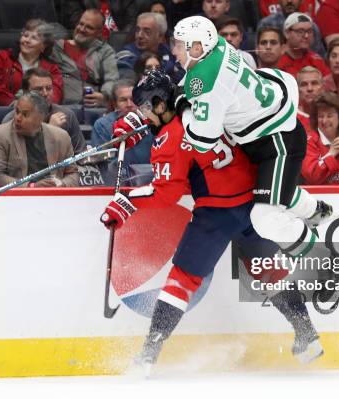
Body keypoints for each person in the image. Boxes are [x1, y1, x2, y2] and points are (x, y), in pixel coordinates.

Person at [100, 69, 323, 372]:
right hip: (254, 201)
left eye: (146, 108)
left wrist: (126, 202)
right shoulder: (206, 106)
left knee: (181, 280)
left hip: (218, 212)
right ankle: (308, 336)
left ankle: (148, 356)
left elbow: (168, 191)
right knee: (269, 270)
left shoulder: (170, 137)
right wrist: (145, 126)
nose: (144, 114)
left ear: (161, 104)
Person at [172, 16, 334, 257]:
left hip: (278, 142)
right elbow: (196, 80)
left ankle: (322, 259)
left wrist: (181, 105)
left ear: (196, 48)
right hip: (267, 122)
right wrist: (183, 90)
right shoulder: (217, 45)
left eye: (178, 43)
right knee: (270, 190)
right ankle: (317, 211)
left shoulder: (208, 82)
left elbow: (202, 138)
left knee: (264, 218)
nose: (174, 50)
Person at [0, 92, 79, 187]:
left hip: (53, 197)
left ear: (40, 118)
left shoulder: (61, 137)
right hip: (17, 198)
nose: (18, 118)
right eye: (17, 112)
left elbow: (73, 174)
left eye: (25, 114)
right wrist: (31, 186)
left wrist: (60, 185)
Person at [2, 68, 85, 154]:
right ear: (25, 92)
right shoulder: (13, 119)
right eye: (38, 89)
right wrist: (50, 130)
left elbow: (80, 154)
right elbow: (20, 158)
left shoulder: (67, 115)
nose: (45, 94)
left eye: (49, 88)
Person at [0, 19, 63, 106]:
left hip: (39, 111)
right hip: (5, 109)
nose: (27, 40)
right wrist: (15, 104)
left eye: (34, 38)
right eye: (26, 35)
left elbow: (56, 94)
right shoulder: (1, 57)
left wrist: (36, 106)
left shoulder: (51, 68)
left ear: (43, 46)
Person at [51, 9, 119, 107]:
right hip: (63, 105)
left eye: (89, 27)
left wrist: (104, 96)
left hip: (93, 107)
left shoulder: (105, 51)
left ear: (99, 32)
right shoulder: (58, 48)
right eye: (81, 24)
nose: (82, 29)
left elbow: (112, 79)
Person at [91, 79, 153, 168]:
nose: (129, 104)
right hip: (117, 178)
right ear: (115, 104)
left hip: (150, 176)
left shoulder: (152, 121)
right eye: (123, 100)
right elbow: (103, 163)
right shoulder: (102, 125)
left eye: (133, 99)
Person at [302, 92, 339, 184]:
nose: (324, 121)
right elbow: (312, 177)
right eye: (320, 116)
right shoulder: (309, 142)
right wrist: (331, 154)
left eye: (329, 116)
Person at [116, 13, 182, 82]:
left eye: (147, 31)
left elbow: (181, 75)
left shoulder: (169, 51)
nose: (139, 35)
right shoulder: (125, 54)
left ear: (160, 37)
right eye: (138, 30)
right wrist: (169, 70)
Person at [257, 0, 325, 57]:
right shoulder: (267, 24)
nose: (289, 1)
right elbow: (260, 54)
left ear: (301, 1)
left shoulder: (311, 26)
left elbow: (319, 56)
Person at [278, 12, 329, 77]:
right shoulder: (277, 60)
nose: (306, 36)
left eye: (309, 31)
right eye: (300, 31)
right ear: (287, 33)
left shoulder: (316, 60)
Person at [296, 66, 323, 132]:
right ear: (297, 89)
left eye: (314, 83)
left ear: (322, 87)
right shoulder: (292, 118)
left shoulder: (333, 116)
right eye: (304, 84)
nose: (309, 89)